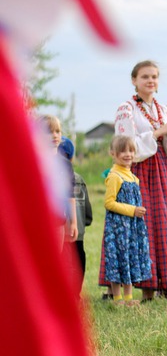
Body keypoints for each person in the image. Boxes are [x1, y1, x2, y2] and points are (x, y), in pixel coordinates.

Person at [107, 60, 167, 301]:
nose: (151, 81)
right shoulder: (126, 109)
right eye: (145, 77)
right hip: (137, 171)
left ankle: (165, 283)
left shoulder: (163, 109)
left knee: (162, 222)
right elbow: (126, 144)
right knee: (141, 224)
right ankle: (142, 287)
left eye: (154, 76)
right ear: (134, 80)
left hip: (161, 170)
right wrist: (160, 132)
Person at [102, 135, 152, 306]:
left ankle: (129, 298)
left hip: (131, 227)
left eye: (131, 150)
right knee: (117, 258)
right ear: (113, 154)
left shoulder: (132, 177)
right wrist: (132, 210)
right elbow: (109, 203)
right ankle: (117, 298)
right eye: (123, 151)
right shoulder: (115, 176)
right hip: (118, 227)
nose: (128, 154)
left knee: (129, 257)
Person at [59, 137, 93, 295]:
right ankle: (76, 294)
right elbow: (87, 209)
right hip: (78, 231)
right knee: (78, 262)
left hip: (61, 229)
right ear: (71, 157)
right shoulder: (79, 179)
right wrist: (86, 220)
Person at [38, 115, 78, 251]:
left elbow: (70, 195)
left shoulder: (65, 164)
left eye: (57, 131)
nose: (54, 135)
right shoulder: (34, 162)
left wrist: (73, 222)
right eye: (49, 132)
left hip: (58, 223)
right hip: (37, 222)